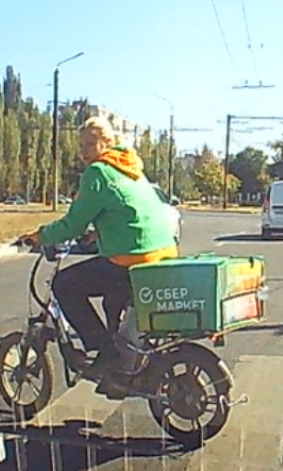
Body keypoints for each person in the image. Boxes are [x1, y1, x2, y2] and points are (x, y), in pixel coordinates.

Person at [20, 116, 179, 392]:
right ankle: (123, 367)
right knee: (110, 296)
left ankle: (105, 352)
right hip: (160, 255)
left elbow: (73, 223)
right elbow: (127, 210)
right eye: (81, 145)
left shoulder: (98, 172)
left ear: (107, 143)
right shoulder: (130, 167)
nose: (84, 151)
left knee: (63, 284)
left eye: (90, 144)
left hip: (132, 260)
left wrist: (39, 236)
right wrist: (101, 233)